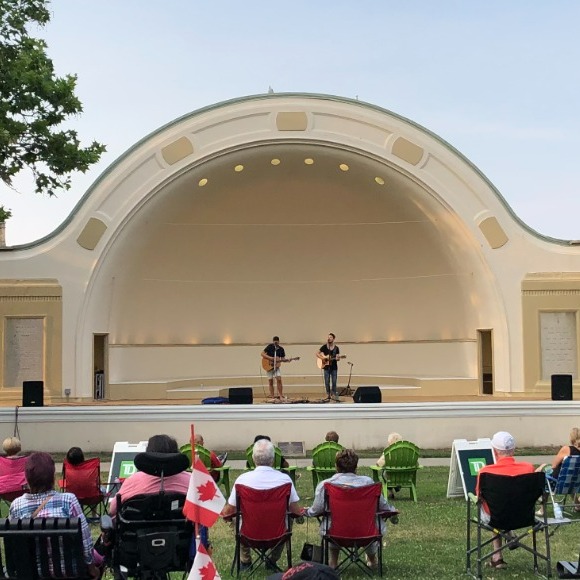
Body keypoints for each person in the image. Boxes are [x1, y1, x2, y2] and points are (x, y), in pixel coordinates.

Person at [9, 452, 103, 578]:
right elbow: (85, 541)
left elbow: (14, 546)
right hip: (69, 573)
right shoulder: (68, 501)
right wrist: (92, 569)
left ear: (27, 478)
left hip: (32, 574)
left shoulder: (17, 505)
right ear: (53, 477)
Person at [306, 449, 396, 570]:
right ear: (356, 467)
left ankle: (333, 562)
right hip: (366, 532)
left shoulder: (326, 485)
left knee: (331, 520)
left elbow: (316, 510)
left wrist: (306, 512)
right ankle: (372, 559)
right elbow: (383, 507)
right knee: (373, 521)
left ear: (336, 466)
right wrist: (393, 511)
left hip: (335, 533)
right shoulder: (368, 483)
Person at [223, 438, 303, 570]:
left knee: (236, 518)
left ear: (253, 459)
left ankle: (245, 561)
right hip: (278, 535)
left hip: (248, 535)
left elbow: (229, 512)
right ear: (273, 460)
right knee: (288, 518)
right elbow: (295, 511)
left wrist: (226, 515)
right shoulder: (285, 480)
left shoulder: (242, 480)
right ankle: (272, 560)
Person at [475, 431, 535, 570]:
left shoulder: (485, 472)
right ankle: (509, 535)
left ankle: (497, 556)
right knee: (503, 506)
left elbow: (479, 497)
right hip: (524, 516)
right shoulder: (528, 468)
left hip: (496, 516)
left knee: (496, 508)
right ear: (513, 450)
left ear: (494, 451)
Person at [109, 434, 190, 516]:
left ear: (148, 454)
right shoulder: (190, 480)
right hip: (181, 526)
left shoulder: (133, 480)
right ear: (176, 453)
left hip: (136, 526)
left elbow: (113, 509)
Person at [537, 426, 580, 512]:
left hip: (558, 483)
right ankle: (577, 505)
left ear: (572, 438)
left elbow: (553, 466)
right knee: (571, 477)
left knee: (543, 472)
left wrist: (542, 467)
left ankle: (542, 509)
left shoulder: (567, 449)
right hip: (575, 484)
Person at [316, 333, 344, 401]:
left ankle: (333, 394)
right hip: (326, 367)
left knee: (334, 381)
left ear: (333, 339)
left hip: (334, 367)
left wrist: (338, 358)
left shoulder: (336, 348)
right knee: (326, 381)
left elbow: (338, 358)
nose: (329, 338)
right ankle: (328, 394)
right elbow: (317, 353)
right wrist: (322, 358)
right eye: (328, 337)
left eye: (331, 337)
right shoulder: (324, 347)